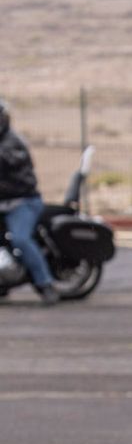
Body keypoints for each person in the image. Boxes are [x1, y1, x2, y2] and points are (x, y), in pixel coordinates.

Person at [0, 100, 60, 306]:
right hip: (3, 203)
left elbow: (6, 161)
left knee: (20, 239)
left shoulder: (13, 143)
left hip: (22, 202)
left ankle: (45, 285)